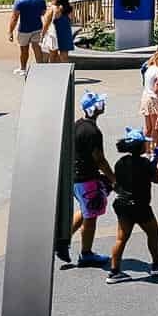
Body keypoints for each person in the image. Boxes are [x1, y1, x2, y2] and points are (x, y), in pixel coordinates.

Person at [106, 128, 158, 282]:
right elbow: (157, 179)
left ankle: (114, 271)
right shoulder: (145, 163)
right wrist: (156, 161)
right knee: (152, 232)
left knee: (121, 238)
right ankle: (157, 264)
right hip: (140, 205)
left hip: (122, 203)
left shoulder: (120, 162)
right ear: (140, 147)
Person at [64, 91, 114, 267]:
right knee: (91, 217)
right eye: (101, 103)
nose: (104, 105)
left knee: (85, 211)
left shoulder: (77, 125)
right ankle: (86, 254)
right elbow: (99, 158)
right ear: (96, 108)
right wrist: (112, 178)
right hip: (87, 178)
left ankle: (62, 239)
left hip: (75, 177)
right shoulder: (93, 131)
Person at [7, 0, 47, 76]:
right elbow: (43, 13)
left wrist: (10, 31)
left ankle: (23, 68)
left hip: (24, 29)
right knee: (37, 48)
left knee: (24, 50)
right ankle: (40, 68)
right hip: (38, 27)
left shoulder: (19, 1)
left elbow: (14, 18)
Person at [39, 0, 76, 64]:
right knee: (64, 57)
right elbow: (72, 20)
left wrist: (42, 35)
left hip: (54, 35)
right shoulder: (69, 8)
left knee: (53, 56)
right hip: (65, 34)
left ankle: (54, 72)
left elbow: (46, 24)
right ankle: (65, 72)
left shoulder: (53, 9)